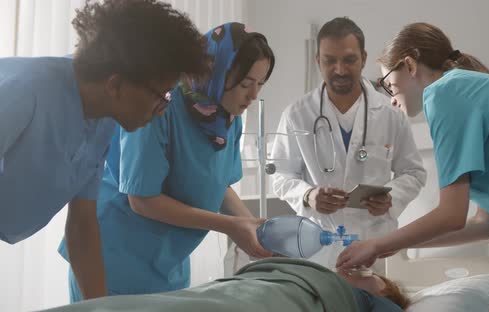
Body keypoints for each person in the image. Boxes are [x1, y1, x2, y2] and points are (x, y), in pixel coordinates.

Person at [336, 22, 489, 311]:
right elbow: (483, 226)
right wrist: (396, 244)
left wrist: (376, 244)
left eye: (389, 85)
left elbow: (451, 214)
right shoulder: (470, 94)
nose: (392, 100)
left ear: (409, 65)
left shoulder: (445, 92)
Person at [0, 0, 209, 300]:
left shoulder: (102, 119)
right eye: (161, 96)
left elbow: (83, 223)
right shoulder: (24, 91)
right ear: (115, 84)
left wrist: (99, 307)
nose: (163, 110)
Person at [58, 22, 275, 301]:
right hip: (115, 259)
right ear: (215, 70)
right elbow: (142, 199)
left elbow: (218, 185)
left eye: (260, 84)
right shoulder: (159, 105)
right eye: (246, 84)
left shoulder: (228, 120)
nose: (254, 95)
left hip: (168, 262)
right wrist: (231, 226)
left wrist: (257, 230)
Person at [270, 17, 426, 269]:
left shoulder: (390, 114)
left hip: (375, 243)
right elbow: (280, 175)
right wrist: (308, 195)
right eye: (330, 60)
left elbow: (414, 173)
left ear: (363, 58)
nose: (340, 70)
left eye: (349, 59)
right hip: (318, 244)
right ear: (317, 61)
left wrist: (391, 198)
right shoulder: (297, 114)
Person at [43, 258, 410, 312]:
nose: (360, 269)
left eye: (370, 274)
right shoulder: (315, 275)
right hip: (259, 287)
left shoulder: (368, 302)